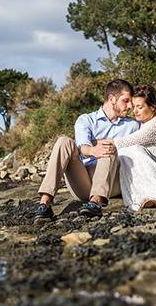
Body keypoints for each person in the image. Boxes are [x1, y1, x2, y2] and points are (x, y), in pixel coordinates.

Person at [34, 79, 139, 221]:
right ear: (112, 98)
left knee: (107, 149)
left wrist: (100, 145)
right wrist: (92, 150)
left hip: (112, 180)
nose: (130, 106)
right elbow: (82, 146)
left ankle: (96, 203)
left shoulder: (133, 125)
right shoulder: (86, 120)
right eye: (126, 101)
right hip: (84, 181)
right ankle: (44, 203)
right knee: (63, 141)